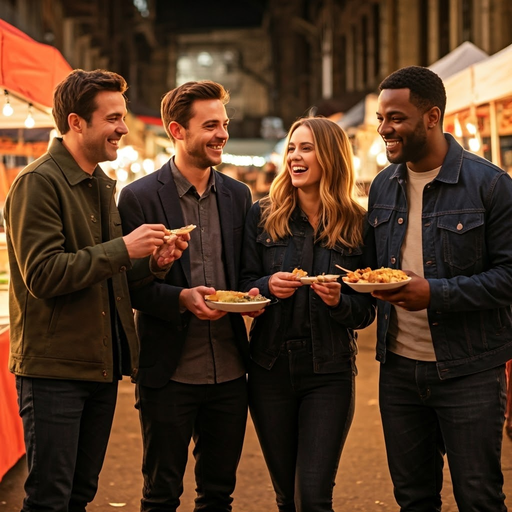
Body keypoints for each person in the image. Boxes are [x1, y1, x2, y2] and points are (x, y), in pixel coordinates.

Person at [3, 69, 186, 511]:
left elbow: (107, 278)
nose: (123, 128)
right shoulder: (38, 182)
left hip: (98, 367)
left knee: (80, 495)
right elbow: (44, 274)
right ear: (77, 122)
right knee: (50, 497)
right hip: (54, 372)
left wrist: (152, 264)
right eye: (113, 118)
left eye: (122, 117)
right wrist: (123, 247)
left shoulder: (101, 184)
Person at [368, 65, 512, 511]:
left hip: (470, 371)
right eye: (380, 118)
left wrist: (435, 293)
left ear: (432, 117)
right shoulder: (381, 187)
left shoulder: (490, 185)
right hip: (398, 373)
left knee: (479, 497)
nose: (384, 129)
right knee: (413, 498)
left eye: (395, 118)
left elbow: (509, 278)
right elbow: (374, 271)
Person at [117, 80, 256, 512]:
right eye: (210, 125)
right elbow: (130, 288)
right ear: (178, 131)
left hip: (231, 372)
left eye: (225, 124)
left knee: (218, 495)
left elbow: (247, 272)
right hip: (168, 372)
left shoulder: (238, 195)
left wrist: (254, 292)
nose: (222, 134)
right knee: (161, 495)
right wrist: (179, 297)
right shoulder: (138, 197)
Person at [239, 117, 376, 511]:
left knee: (314, 498)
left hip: (329, 372)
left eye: (306, 148)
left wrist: (339, 301)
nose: (295, 157)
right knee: (286, 498)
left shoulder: (358, 222)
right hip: (269, 369)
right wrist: (267, 287)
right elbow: (245, 282)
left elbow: (367, 311)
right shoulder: (262, 215)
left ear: (331, 157)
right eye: (292, 149)